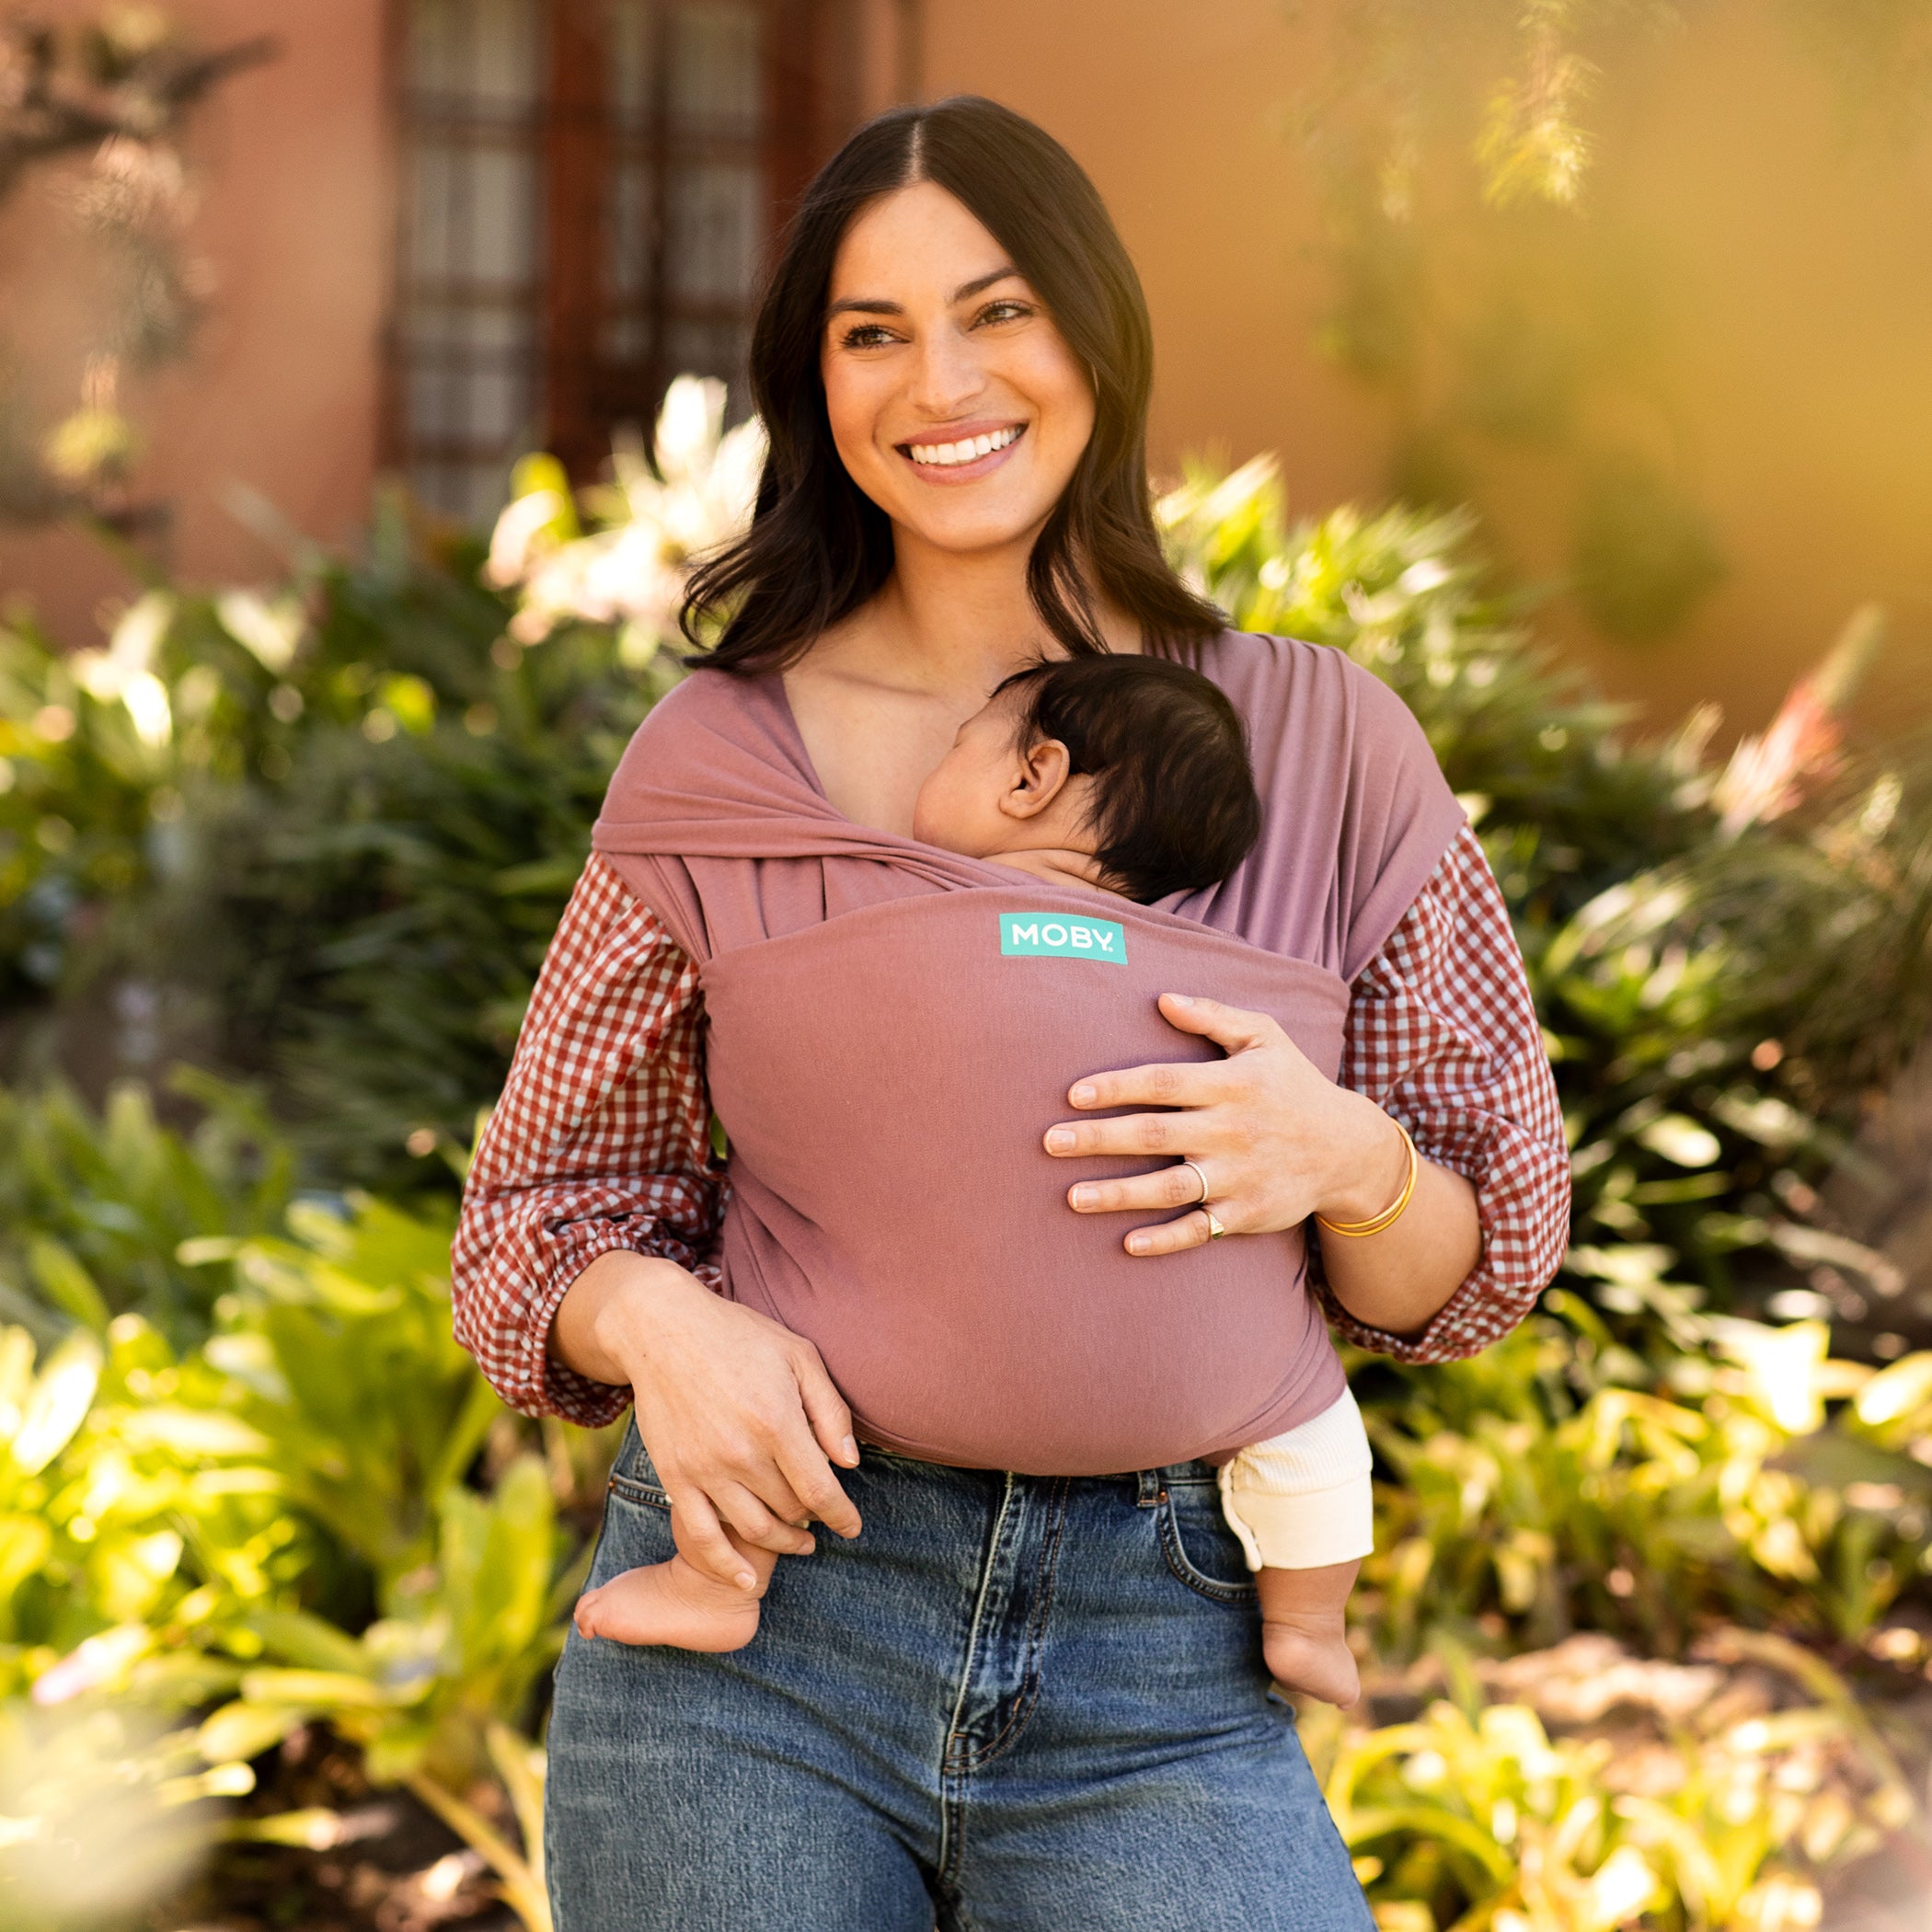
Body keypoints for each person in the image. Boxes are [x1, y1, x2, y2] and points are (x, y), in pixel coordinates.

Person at [453, 94, 1570, 1932]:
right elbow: (535, 1219)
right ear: (815, 388)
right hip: (759, 1635)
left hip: (1162, 1674)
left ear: (1093, 332)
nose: (938, 379)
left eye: (996, 311)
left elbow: (1482, 1258)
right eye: (870, 333)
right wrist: (660, 1321)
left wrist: (1350, 1162)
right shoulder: (718, 761)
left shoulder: (1319, 746)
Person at [572, 654, 1374, 1710]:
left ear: (1032, 777)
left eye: (961, 745)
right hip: (1236, 1397)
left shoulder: (890, 919)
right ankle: (1310, 1618)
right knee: (1319, 1433)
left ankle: (720, 1581)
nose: (928, 769)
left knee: (760, 1411)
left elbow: (774, 1040)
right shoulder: (1235, 973)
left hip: (853, 1403)